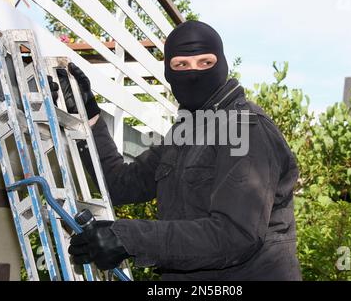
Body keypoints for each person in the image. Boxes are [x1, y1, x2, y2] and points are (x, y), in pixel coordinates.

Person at [53, 20, 302, 281]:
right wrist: (89, 116)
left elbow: (235, 235)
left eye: (205, 62)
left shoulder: (245, 127)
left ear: (223, 65)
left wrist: (128, 238)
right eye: (181, 64)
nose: (193, 73)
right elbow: (120, 185)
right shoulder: (185, 134)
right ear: (168, 73)